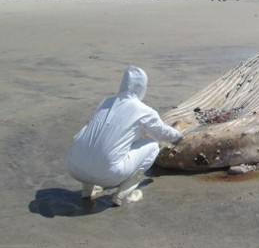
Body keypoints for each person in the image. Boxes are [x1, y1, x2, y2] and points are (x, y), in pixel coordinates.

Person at [68, 66, 183, 206]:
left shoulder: (106, 102)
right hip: (108, 175)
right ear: (142, 87)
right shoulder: (143, 111)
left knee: (91, 136)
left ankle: (86, 191)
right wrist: (179, 137)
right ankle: (122, 194)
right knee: (152, 146)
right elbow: (161, 132)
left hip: (74, 167)